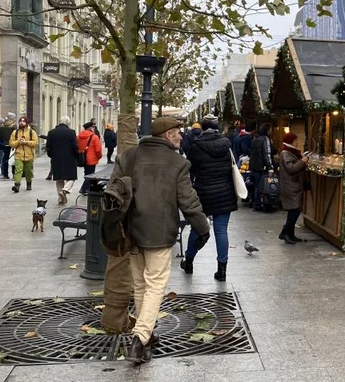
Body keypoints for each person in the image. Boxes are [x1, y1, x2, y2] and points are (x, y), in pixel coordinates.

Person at [109, 116, 209, 364]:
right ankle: (139, 337)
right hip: (159, 232)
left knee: (141, 285)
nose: (181, 136)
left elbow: (114, 190)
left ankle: (147, 334)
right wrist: (202, 227)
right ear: (167, 135)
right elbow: (188, 201)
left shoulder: (128, 157)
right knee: (155, 286)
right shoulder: (178, 163)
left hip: (130, 231)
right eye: (178, 132)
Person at [182, 117, 238, 280]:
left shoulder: (196, 146)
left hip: (203, 193)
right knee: (221, 231)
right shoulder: (226, 144)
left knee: (197, 228)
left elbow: (190, 170)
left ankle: (189, 261)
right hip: (224, 192)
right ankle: (222, 270)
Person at [278, 131, 309, 244]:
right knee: (294, 210)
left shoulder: (291, 152)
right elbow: (291, 168)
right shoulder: (286, 153)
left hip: (294, 185)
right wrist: (302, 161)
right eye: (295, 140)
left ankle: (289, 234)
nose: (297, 142)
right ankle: (285, 233)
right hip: (290, 186)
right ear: (291, 141)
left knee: (295, 209)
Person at [46, 117, 79, 205]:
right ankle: (65, 190)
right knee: (71, 177)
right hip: (69, 158)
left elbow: (48, 147)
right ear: (68, 123)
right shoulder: (71, 132)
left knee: (59, 178)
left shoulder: (51, 132)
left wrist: (51, 155)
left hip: (56, 158)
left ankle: (60, 198)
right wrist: (77, 154)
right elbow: (75, 146)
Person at [9, 116, 38, 193]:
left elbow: (35, 143)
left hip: (29, 155)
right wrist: (18, 142)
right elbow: (11, 143)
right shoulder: (15, 132)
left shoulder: (32, 132)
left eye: (23, 121)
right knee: (18, 170)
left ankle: (29, 183)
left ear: (26, 123)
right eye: (20, 121)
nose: (22, 123)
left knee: (28, 171)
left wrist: (26, 142)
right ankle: (17, 185)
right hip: (18, 155)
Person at [249, 123, 272, 211]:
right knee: (261, 186)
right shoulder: (265, 139)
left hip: (254, 165)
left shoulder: (255, 139)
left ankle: (256, 203)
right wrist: (270, 166)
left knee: (256, 185)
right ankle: (258, 204)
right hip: (261, 166)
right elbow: (267, 153)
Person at [77, 121, 103, 195]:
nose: (94, 128)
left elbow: (77, 146)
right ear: (90, 128)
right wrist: (99, 157)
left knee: (87, 173)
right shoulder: (94, 137)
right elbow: (98, 150)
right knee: (90, 175)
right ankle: (84, 189)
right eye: (93, 127)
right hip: (91, 159)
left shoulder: (79, 136)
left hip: (82, 158)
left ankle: (85, 188)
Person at [0, 114, 16, 180]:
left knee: (5, 160)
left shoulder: (1, 127)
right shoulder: (14, 127)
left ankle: (5, 175)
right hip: (12, 145)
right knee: (13, 160)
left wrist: (2, 143)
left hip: (5, 145)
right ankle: (14, 175)